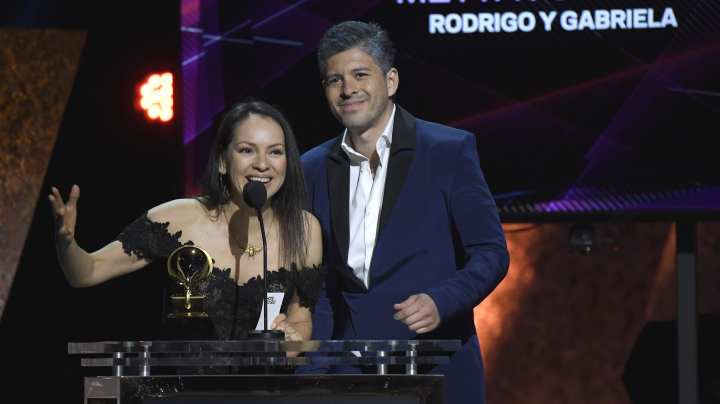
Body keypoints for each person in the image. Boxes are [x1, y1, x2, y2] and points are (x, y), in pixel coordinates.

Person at [300, 21, 509, 404]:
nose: (348, 90)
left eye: (360, 75)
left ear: (390, 80)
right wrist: (312, 371)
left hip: (436, 366)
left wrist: (440, 300)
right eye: (335, 80)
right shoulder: (312, 167)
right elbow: (322, 282)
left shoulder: (448, 150)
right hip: (349, 375)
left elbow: (491, 253)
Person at [49, 100, 324, 344]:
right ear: (222, 162)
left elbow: (301, 318)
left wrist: (292, 340)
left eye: (275, 152)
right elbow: (86, 272)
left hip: (264, 392)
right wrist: (67, 243)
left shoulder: (304, 229)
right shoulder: (178, 218)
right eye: (246, 150)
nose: (263, 164)